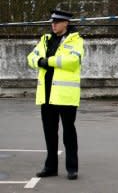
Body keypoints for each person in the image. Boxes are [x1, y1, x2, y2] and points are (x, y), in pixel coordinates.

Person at [27, 9, 84, 180]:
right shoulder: (45, 40)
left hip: (65, 95)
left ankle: (72, 168)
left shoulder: (76, 40)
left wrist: (46, 61)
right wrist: (38, 61)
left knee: (69, 134)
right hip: (46, 95)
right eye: (52, 22)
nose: (53, 25)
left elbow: (72, 61)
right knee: (50, 134)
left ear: (66, 23)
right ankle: (50, 167)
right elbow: (31, 58)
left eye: (57, 22)